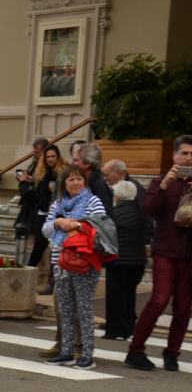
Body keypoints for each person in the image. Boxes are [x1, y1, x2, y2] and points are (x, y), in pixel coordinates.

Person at [126, 135, 192, 372]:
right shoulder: (160, 182)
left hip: (189, 256)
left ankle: (172, 353)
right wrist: (166, 185)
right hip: (165, 251)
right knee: (159, 300)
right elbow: (149, 210)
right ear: (174, 156)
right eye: (184, 153)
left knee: (184, 308)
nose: (188, 158)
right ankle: (136, 350)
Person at [43, 164, 109, 369]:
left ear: (84, 181)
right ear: (64, 183)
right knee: (65, 309)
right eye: (70, 179)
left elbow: (101, 227)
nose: (75, 183)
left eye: (79, 179)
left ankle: (88, 354)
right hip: (60, 262)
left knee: (84, 310)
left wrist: (77, 224)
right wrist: (58, 223)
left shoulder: (93, 201)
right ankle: (67, 352)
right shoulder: (58, 205)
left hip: (85, 263)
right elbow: (45, 231)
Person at [101, 180, 148, 341]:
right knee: (129, 295)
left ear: (117, 197)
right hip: (137, 261)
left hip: (118, 261)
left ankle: (115, 330)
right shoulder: (141, 213)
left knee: (115, 296)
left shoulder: (114, 215)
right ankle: (128, 327)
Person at [30, 143, 64, 298]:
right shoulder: (41, 172)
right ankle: (28, 275)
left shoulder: (62, 172)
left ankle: (52, 282)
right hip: (42, 213)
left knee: (55, 248)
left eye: (53, 156)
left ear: (58, 157)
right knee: (38, 246)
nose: (50, 159)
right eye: (48, 156)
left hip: (57, 215)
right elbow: (38, 193)